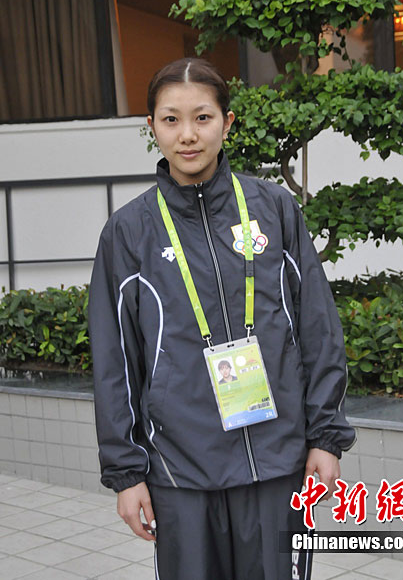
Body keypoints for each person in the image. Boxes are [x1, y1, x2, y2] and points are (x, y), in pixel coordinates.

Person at [89, 57, 356, 580]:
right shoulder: (129, 232)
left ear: (227, 123)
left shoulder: (274, 208)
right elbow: (114, 360)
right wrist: (126, 474)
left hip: (277, 462)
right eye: (171, 119)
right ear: (152, 126)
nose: (187, 135)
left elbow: (318, 327)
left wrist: (325, 439)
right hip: (180, 472)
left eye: (203, 118)